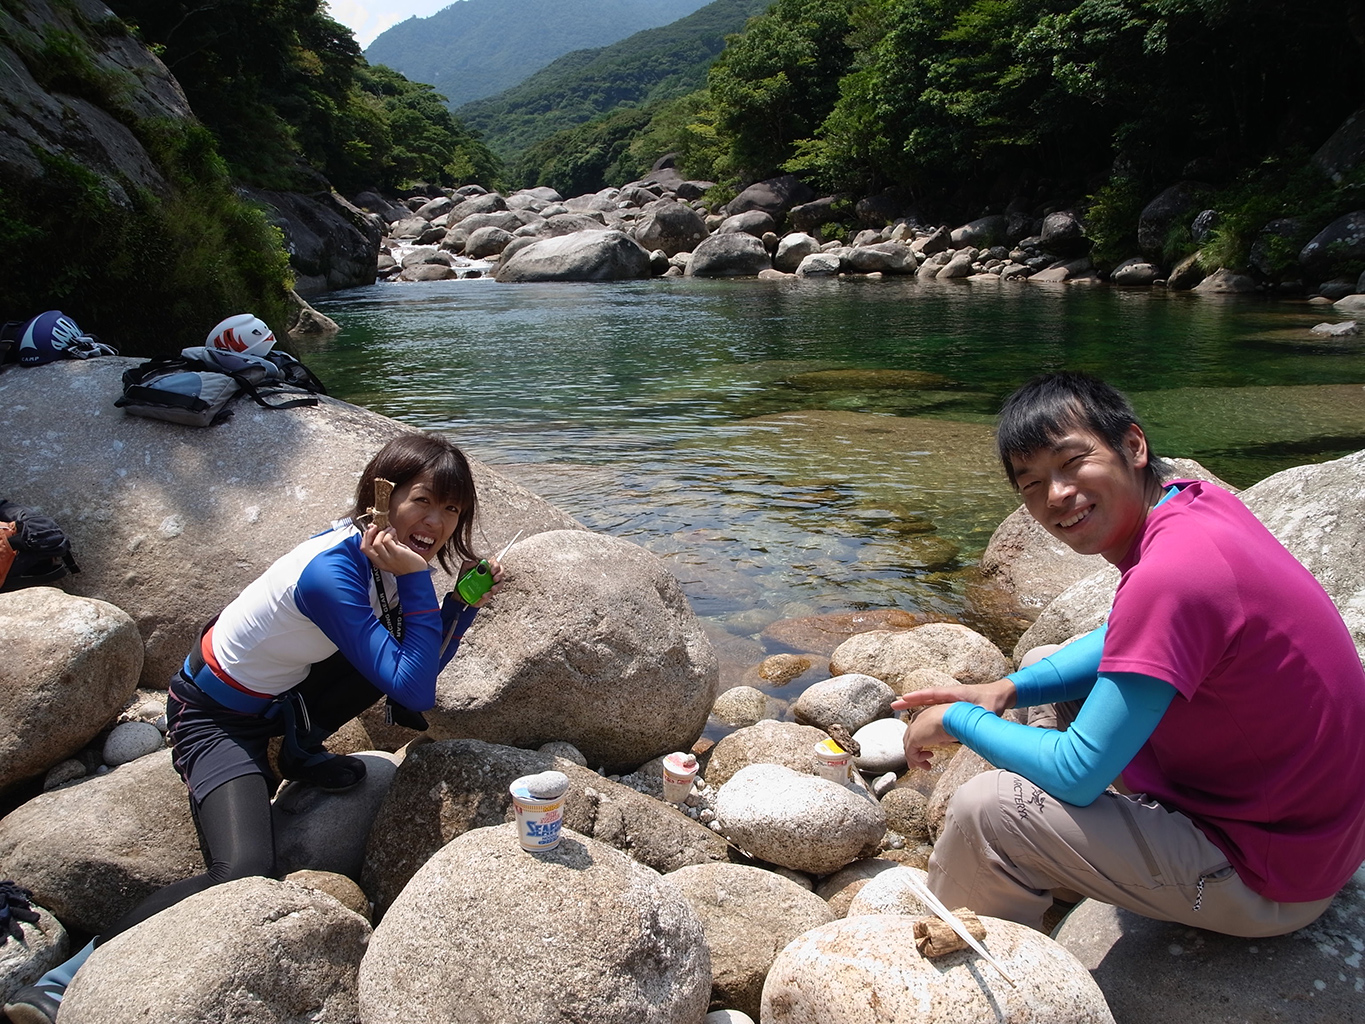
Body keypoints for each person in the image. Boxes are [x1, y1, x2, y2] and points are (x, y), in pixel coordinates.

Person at [3, 432, 503, 1024]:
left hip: (279, 697)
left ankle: (297, 750)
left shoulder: (386, 559)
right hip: (213, 716)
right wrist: (422, 584)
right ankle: (62, 982)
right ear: (382, 493)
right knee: (240, 870)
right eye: (424, 500)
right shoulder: (335, 572)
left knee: (386, 659)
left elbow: (410, 675)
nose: (437, 522)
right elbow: (416, 688)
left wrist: (460, 607)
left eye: (452, 510)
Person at [893, 371, 1365, 938]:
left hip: (1269, 876)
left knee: (985, 813)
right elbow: (1125, 632)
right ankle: (1049, 866)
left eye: (1071, 463)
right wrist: (1006, 690)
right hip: (1305, 827)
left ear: (1134, 446)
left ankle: (958, 972)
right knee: (1048, 661)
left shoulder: (1172, 575)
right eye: (1033, 483)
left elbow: (1075, 772)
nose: (1057, 495)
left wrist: (957, 718)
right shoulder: (1196, 506)